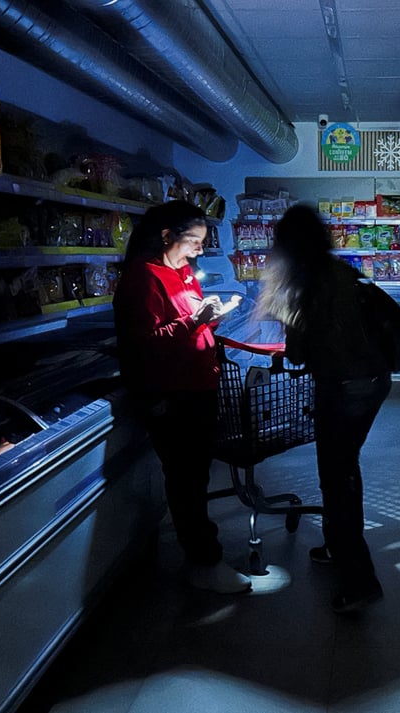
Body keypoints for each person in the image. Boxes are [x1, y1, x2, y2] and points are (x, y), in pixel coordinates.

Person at [112, 200, 251, 595]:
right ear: (166, 236)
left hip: (198, 386)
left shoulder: (183, 272)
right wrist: (196, 321)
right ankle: (204, 561)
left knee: (196, 474)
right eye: (193, 241)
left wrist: (213, 315)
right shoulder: (142, 277)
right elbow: (144, 344)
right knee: (186, 478)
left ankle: (202, 554)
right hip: (172, 394)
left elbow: (187, 323)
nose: (199, 250)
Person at [259, 204, 391, 614]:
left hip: (342, 390)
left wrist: (282, 315)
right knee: (344, 470)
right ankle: (337, 548)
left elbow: (297, 355)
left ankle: (360, 581)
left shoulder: (302, 283)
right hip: (373, 383)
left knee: (337, 480)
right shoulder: (339, 271)